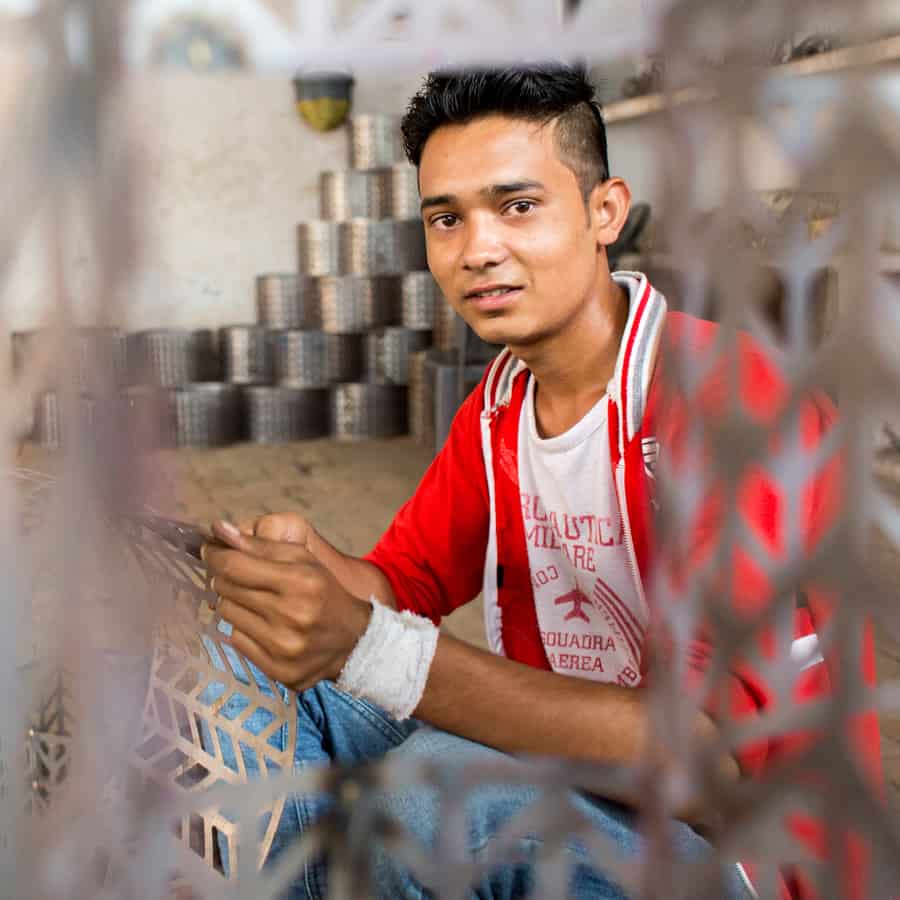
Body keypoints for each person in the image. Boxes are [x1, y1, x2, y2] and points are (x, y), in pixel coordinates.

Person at [201, 65, 877, 899]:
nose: (477, 250)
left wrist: (369, 647)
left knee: (432, 796)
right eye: (447, 219)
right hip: (589, 776)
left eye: (517, 206)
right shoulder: (500, 407)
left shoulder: (737, 402)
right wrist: (304, 576)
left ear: (605, 212)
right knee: (257, 674)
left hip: (742, 849)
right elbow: (400, 586)